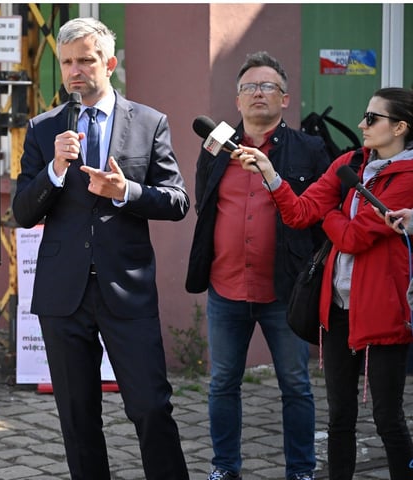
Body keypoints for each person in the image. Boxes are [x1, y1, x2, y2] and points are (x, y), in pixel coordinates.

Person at [11, 17, 190, 480]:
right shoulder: (43, 128)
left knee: (151, 407)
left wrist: (126, 190)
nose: (75, 70)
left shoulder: (149, 122)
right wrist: (53, 168)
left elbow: (177, 201)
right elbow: (22, 213)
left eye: (86, 60)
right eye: (67, 62)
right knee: (77, 417)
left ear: (108, 63)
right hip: (62, 296)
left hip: (125, 289)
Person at [235, 87, 413, 480]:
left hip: (384, 310)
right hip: (336, 307)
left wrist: (329, 213)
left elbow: (352, 238)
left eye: (373, 118)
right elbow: (299, 212)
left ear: (400, 127)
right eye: (365, 115)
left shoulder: (409, 176)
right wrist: (270, 173)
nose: (361, 125)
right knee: (340, 418)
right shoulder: (350, 163)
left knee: (387, 418)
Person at [185, 51, 329, 480]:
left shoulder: (309, 149)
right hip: (225, 288)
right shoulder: (216, 145)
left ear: (285, 99)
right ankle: (225, 468)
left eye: (268, 87)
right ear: (238, 98)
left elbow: (320, 214)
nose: (258, 94)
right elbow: (205, 204)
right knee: (222, 384)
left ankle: (301, 470)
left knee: (296, 385)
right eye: (249, 87)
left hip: (283, 291)